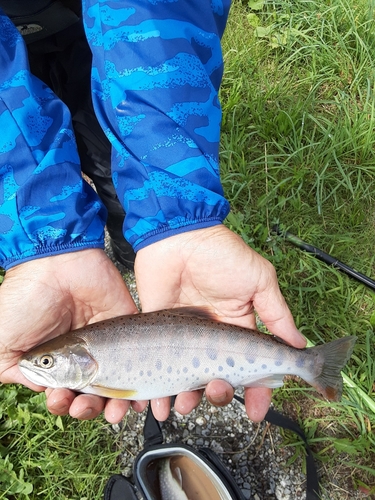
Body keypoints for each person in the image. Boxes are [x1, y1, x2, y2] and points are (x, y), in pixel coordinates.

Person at [0, 1, 306, 425]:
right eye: (49, 364)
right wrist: (43, 243)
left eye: (49, 363)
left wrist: (177, 215)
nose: (43, 368)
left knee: (109, 165)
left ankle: (136, 250)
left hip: (94, 32)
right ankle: (132, 252)